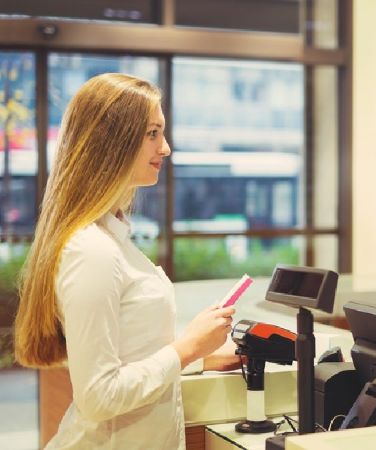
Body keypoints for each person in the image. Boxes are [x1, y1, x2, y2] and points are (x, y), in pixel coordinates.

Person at [14, 73, 240, 449]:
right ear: (112, 142)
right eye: (153, 132)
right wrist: (185, 349)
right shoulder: (92, 251)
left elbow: (133, 356)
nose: (165, 148)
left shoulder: (112, 238)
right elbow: (99, 395)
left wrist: (200, 356)